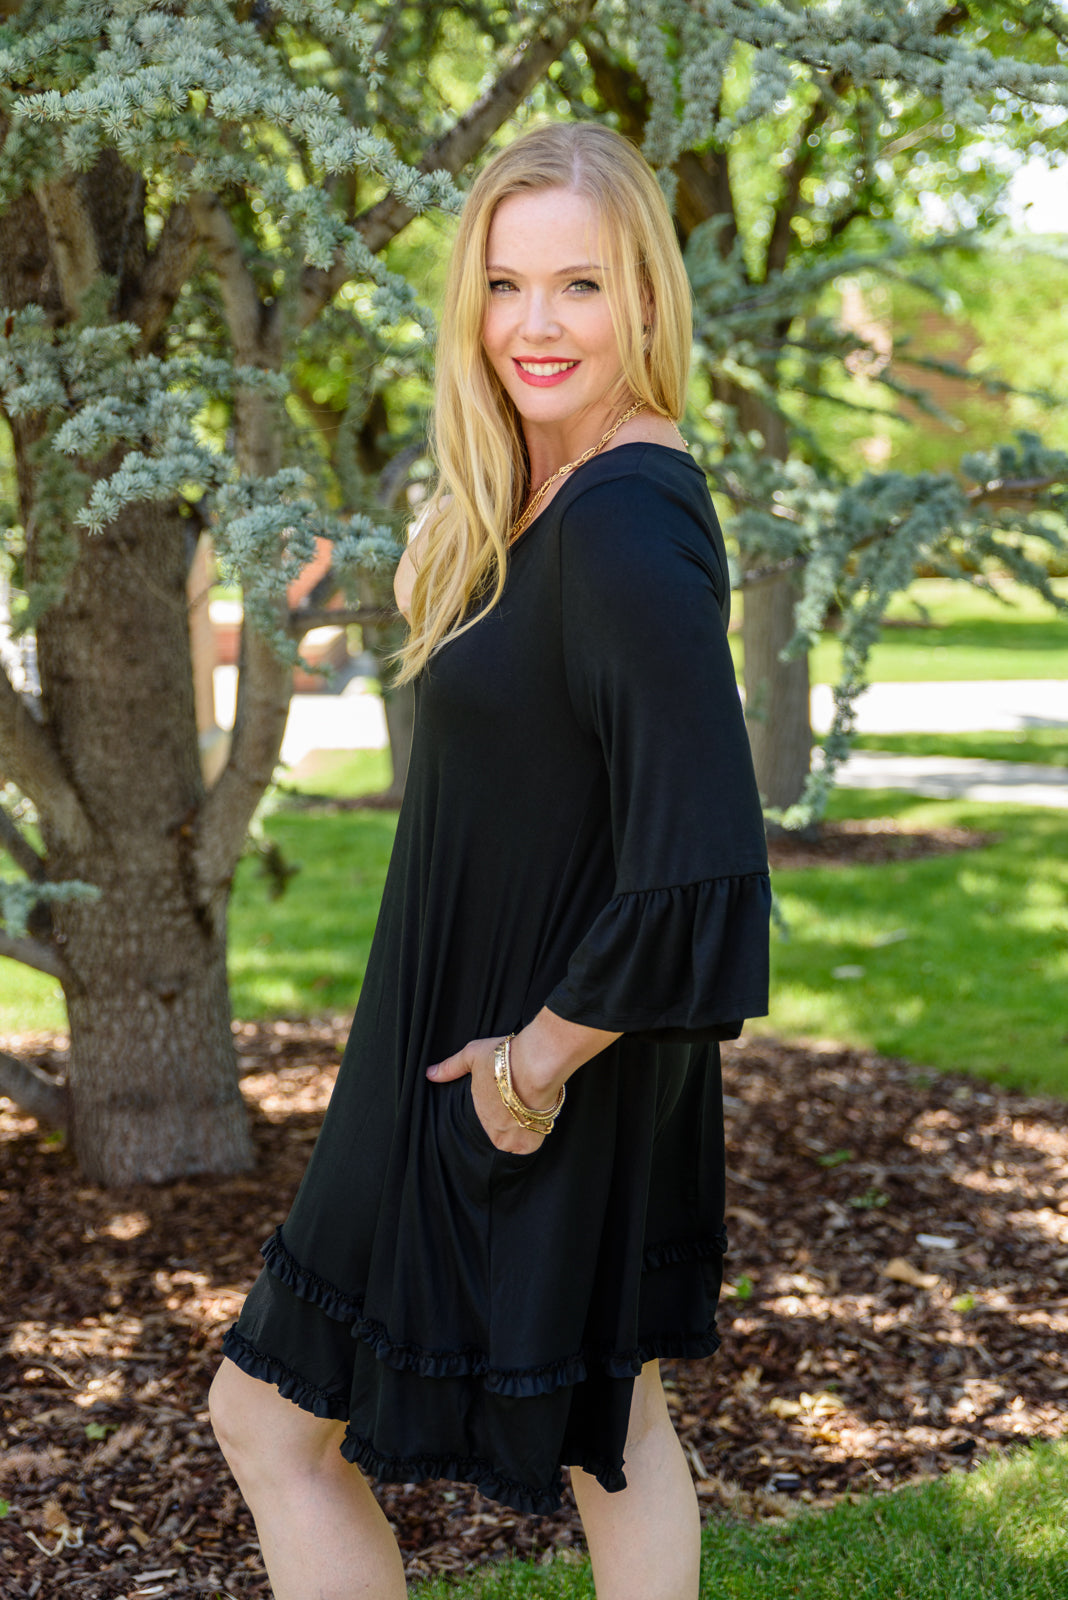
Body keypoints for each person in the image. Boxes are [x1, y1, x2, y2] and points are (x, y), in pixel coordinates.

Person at [209, 121, 771, 1600]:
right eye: (507, 285)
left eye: (579, 286)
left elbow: (702, 862)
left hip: (521, 1058)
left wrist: (532, 1070)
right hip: (492, 1036)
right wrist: (450, 575)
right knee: (616, 1425)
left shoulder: (628, 517)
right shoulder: (545, 496)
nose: (537, 325)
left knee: (267, 1420)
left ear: (643, 296)